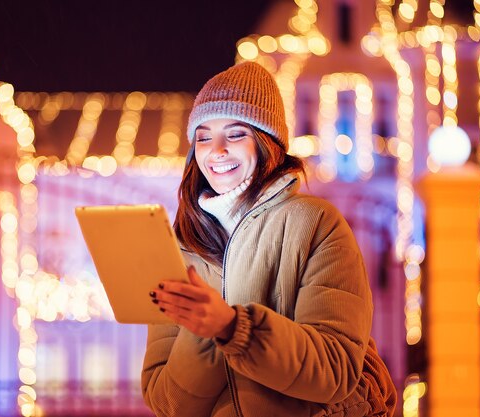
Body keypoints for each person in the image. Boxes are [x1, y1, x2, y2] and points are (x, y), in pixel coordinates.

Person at [141, 61, 397, 417]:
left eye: (235, 134)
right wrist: (205, 332)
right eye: (203, 137)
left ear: (267, 144)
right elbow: (169, 403)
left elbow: (334, 372)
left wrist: (234, 328)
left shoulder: (315, 223)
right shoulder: (185, 244)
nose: (216, 151)